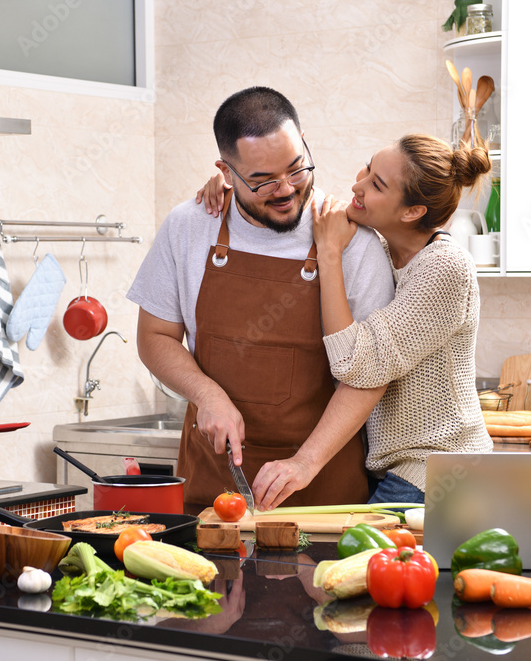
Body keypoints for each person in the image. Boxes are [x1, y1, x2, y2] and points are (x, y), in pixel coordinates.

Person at [127, 86, 395, 512]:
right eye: (263, 180)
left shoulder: (351, 240)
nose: (286, 189)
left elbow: (369, 374)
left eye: (296, 168)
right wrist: (207, 395)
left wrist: (305, 462)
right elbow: (154, 336)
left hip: (322, 490)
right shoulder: (188, 227)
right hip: (215, 487)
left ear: (305, 141)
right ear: (225, 171)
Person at [202, 134, 494, 504]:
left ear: (411, 212)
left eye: (376, 185)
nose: (358, 185)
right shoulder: (383, 249)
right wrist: (239, 187)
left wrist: (329, 251)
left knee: (360, 561)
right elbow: (306, 203)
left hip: (436, 473)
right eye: (368, 169)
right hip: (395, 471)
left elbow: (355, 365)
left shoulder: (445, 267)